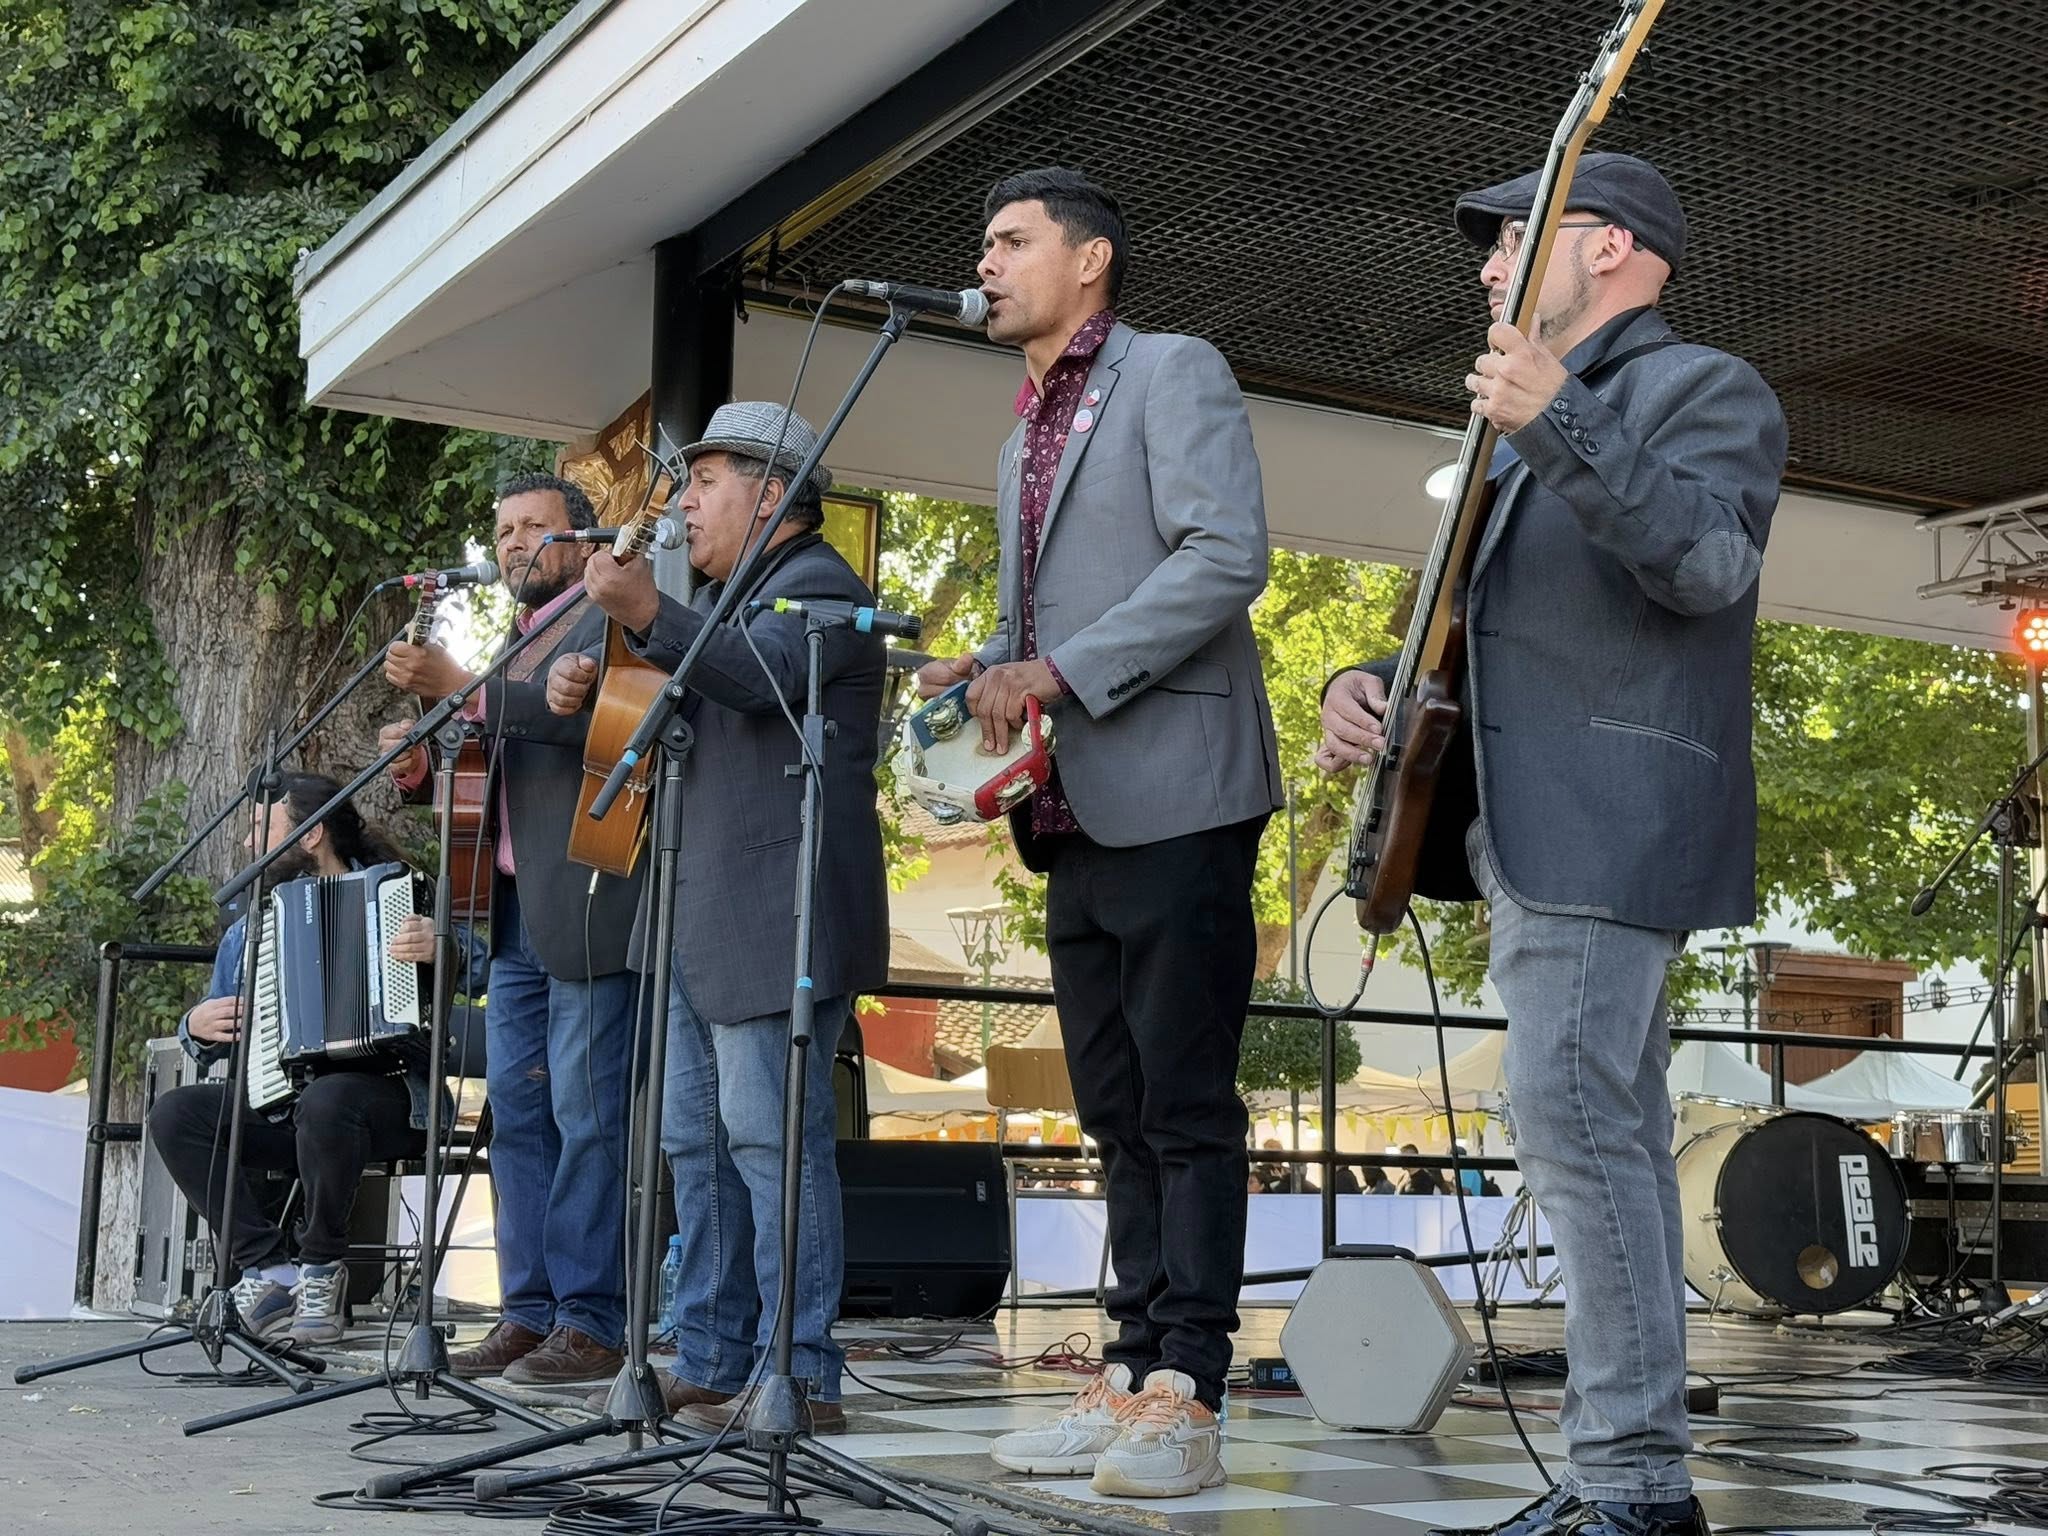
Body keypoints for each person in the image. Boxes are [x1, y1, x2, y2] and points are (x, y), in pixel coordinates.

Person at [1318, 152, 1785, 1536]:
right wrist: (1366, 683)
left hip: (1607, 821)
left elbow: (1707, 565)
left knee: (1578, 1130)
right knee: (1591, 1130)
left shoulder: (1702, 388)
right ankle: (1624, 1476)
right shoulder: (1524, 417)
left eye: (1519, 235)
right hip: (1525, 828)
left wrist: (1558, 418)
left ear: (1614, 247)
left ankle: (1631, 1481)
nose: (1487, 266)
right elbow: (1473, 627)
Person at [918, 166, 1281, 1499]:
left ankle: (1190, 1390)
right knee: (1114, 1111)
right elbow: (1048, 626)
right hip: (1067, 810)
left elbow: (1224, 556)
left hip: (1180, 787)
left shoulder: (1173, 370)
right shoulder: (1019, 431)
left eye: (1011, 240)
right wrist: (987, 664)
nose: (986, 261)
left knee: (1183, 1106)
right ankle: (1129, 1373)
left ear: (1091, 262)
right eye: (984, 241)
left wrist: (1058, 669)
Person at [546, 402, 889, 1433]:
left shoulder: (819, 586)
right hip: (699, 909)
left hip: (776, 908)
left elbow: (762, 677)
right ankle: (709, 1354)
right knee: (695, 1144)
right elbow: (679, 705)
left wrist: (649, 610)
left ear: (772, 493)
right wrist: (590, 672)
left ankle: (801, 1374)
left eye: (705, 482)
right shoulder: (725, 600)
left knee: (770, 1143)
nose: (684, 503)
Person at [382, 470, 647, 1387]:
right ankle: (529, 1313)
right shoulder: (517, 638)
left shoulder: (609, 618)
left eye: (534, 527)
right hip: (508, 912)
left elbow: (595, 727)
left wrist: (461, 687)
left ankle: (592, 1320)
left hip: (583, 901)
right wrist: (422, 765)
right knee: (519, 1118)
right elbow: (490, 766)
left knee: (585, 1114)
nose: (513, 544)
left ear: (584, 539)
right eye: (501, 533)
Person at [146, 775, 474, 1348]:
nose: (249, 845)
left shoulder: (401, 894)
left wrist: (445, 946)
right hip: (289, 1107)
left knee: (329, 1099)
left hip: (396, 1102)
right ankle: (269, 1270)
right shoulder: (250, 927)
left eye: (261, 829)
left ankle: (321, 1268)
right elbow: (219, 1028)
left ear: (311, 833)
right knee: (176, 1115)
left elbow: (492, 969)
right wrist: (194, 1024)